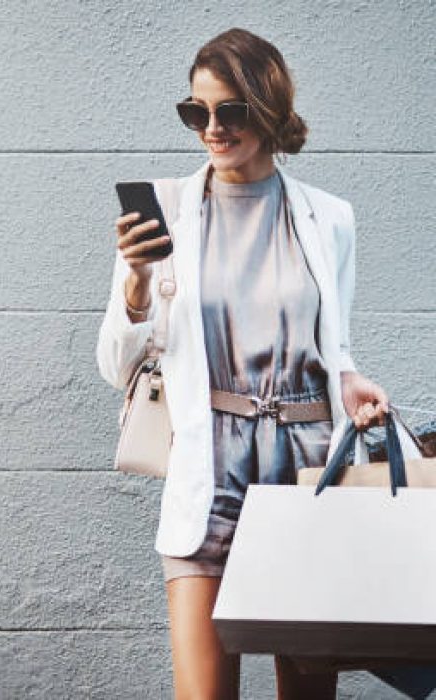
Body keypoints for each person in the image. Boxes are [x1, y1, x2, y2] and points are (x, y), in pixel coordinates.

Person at [97, 27, 390, 700]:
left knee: (308, 693)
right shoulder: (166, 210)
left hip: (305, 472)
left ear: (268, 108)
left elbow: (331, 351)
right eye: (195, 112)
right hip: (210, 473)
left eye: (228, 111)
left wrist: (352, 384)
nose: (211, 128)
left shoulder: (329, 218)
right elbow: (116, 364)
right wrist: (137, 282)